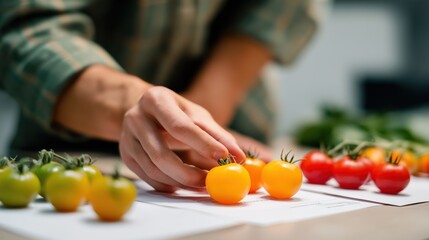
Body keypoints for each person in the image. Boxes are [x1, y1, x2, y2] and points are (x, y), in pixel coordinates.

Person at [0, 0, 319, 192]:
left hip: (236, 125)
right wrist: (130, 103)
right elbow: (26, 28)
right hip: (72, 150)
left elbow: (279, 9)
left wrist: (204, 115)